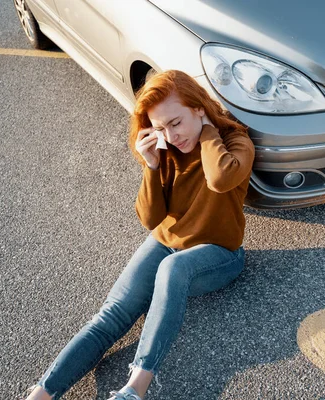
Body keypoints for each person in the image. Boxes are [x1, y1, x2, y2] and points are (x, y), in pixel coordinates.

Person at [25, 69, 255, 400]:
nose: (172, 136)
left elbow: (219, 178)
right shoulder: (167, 151)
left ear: (199, 107)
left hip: (219, 253)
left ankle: (135, 389)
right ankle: (43, 393)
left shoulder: (235, 142)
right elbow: (150, 218)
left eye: (176, 123)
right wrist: (151, 166)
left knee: (172, 270)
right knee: (111, 315)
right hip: (165, 242)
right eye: (160, 128)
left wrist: (206, 131)